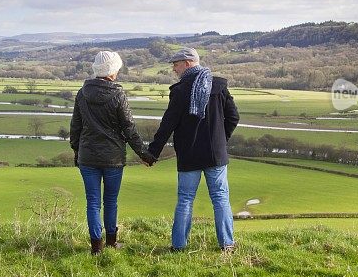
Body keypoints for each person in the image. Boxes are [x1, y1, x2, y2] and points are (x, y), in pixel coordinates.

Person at [146, 47, 239, 252]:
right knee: (221, 198)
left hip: (189, 155)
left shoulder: (180, 91)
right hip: (216, 154)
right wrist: (221, 140)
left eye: (176, 64)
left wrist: (152, 153)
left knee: (185, 199)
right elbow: (233, 117)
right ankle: (227, 245)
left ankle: (179, 246)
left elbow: (167, 125)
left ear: (187, 63)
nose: (174, 69)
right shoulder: (219, 86)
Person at [70, 50, 156, 255]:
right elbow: (129, 128)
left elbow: (76, 127)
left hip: (88, 156)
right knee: (110, 201)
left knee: (92, 202)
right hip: (113, 157)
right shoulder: (117, 94)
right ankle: (111, 242)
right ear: (112, 71)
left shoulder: (82, 93)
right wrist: (144, 153)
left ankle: (96, 247)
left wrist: (77, 151)